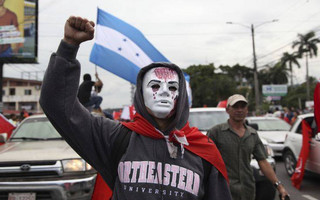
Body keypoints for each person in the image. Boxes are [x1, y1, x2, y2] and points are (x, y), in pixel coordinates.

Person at [39, 16, 232, 200]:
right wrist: (68, 47)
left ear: (181, 96)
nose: (164, 92)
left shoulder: (202, 150)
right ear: (140, 93)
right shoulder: (114, 137)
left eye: (172, 87)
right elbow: (57, 105)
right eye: (155, 86)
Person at [207, 94, 289, 200]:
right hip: (223, 190)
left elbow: (263, 162)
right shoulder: (216, 132)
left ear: (247, 110)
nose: (239, 110)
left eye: (243, 107)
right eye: (236, 107)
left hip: (247, 190)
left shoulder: (252, 134)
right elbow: (206, 161)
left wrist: (280, 187)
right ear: (227, 110)